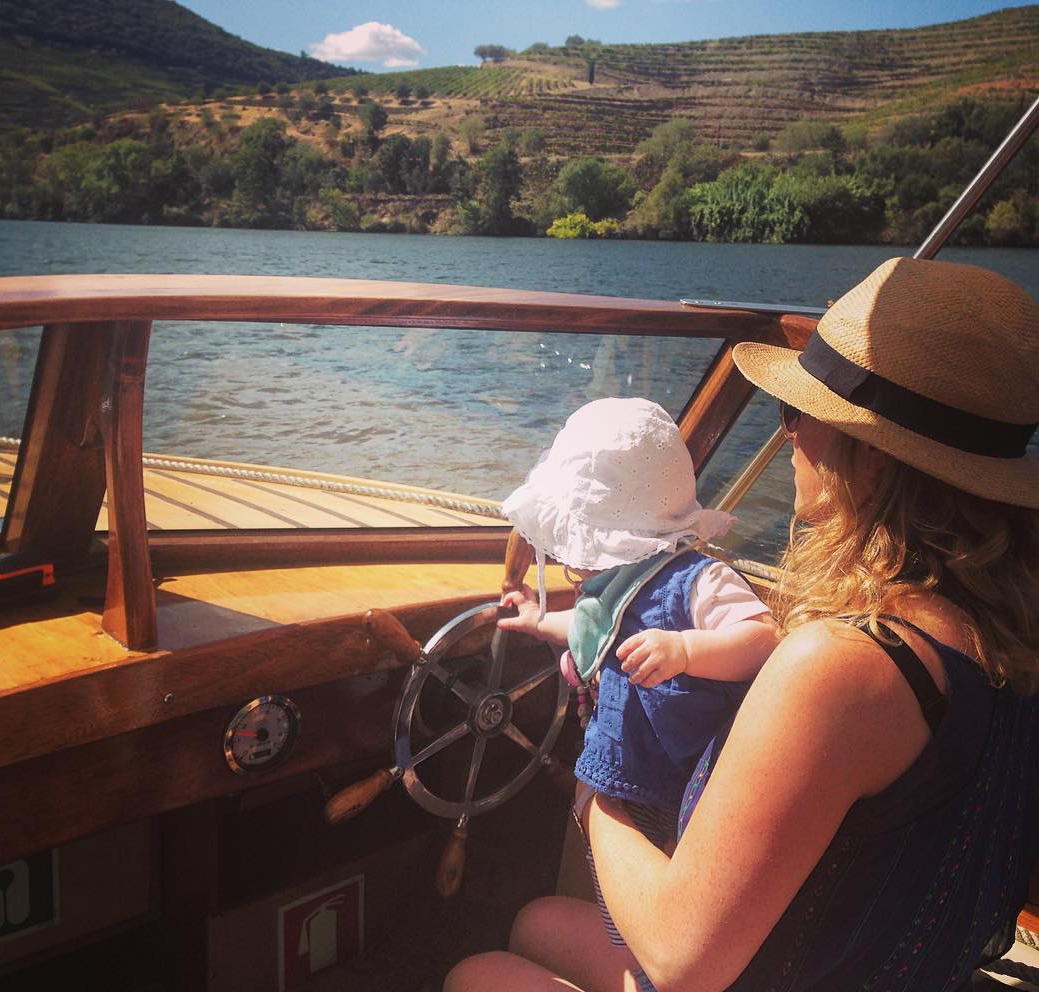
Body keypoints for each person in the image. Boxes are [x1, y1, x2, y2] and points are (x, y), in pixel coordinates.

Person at [444, 256, 1039, 992]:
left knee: (476, 975)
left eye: (798, 416)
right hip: (879, 962)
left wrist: (594, 792)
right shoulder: (1007, 638)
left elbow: (679, 959)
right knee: (537, 921)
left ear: (875, 465)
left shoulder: (846, 666)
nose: (788, 437)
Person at [498, 397, 779, 987]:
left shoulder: (698, 579)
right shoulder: (610, 587)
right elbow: (587, 633)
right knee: (610, 901)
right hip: (620, 775)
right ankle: (624, 954)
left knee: (664, 886)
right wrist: (533, 619)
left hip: (682, 787)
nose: (573, 560)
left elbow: (761, 638)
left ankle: (652, 966)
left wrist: (686, 650)